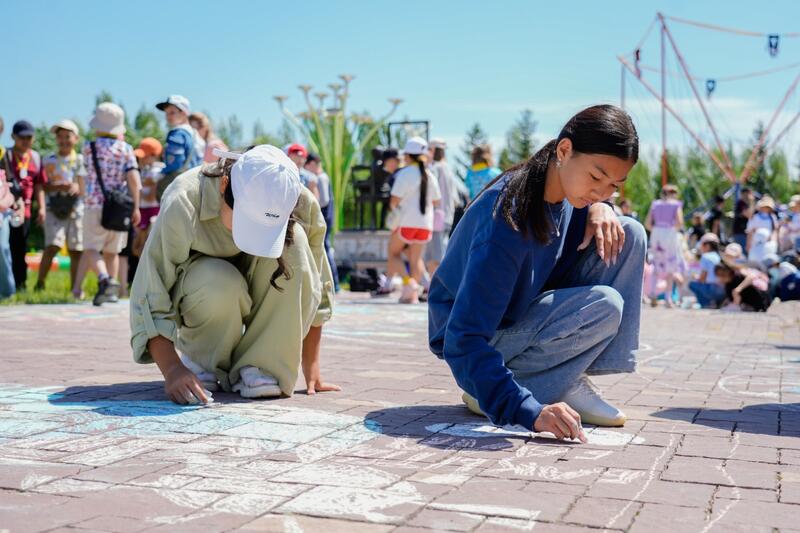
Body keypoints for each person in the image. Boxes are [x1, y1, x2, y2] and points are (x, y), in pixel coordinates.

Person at [428, 105, 643, 441]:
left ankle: (564, 376)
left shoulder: (568, 193)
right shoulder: (507, 220)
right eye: (596, 178)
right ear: (564, 150)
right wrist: (527, 411)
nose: (601, 191)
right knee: (604, 304)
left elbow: (598, 201)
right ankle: (499, 388)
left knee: (628, 233)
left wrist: (603, 207)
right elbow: (462, 339)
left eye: (613, 185)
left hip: (518, 319)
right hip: (475, 341)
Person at [129, 145, 339, 404]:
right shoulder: (184, 199)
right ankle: (203, 358)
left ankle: (262, 364)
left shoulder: (295, 196)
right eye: (246, 220)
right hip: (204, 286)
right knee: (220, 280)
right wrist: (172, 369)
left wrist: (312, 366)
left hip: (263, 295)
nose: (254, 234)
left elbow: (315, 281)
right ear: (224, 184)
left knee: (295, 241)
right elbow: (152, 287)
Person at [72, 103, 141, 305]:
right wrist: (135, 207)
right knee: (112, 251)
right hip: (119, 207)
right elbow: (134, 179)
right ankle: (111, 292)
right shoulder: (126, 149)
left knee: (91, 248)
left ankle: (104, 279)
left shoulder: (88, 147)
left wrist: (83, 195)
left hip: (94, 203)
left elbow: (82, 175)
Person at [376, 137, 441, 302]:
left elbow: (394, 202)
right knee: (415, 259)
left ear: (407, 156)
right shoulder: (429, 175)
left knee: (393, 252)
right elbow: (436, 201)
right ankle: (411, 294)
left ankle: (409, 283)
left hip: (406, 223)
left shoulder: (405, 174)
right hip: (425, 225)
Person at [37, 120, 86, 292]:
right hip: (53, 207)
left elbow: (84, 187)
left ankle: (75, 289)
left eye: (68, 136)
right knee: (52, 246)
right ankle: (40, 283)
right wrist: (57, 187)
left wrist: (76, 187)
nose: (64, 140)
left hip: (75, 208)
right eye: (60, 137)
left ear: (76, 138)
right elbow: (41, 185)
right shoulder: (48, 160)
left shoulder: (80, 160)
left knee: (76, 249)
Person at [2, 120, 48, 290]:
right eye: (22, 137)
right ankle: (6, 285)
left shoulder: (35, 158)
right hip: (6, 208)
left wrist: (42, 207)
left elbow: (39, 185)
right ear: (13, 136)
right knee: (5, 246)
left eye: (29, 137)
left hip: (26, 211)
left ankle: (20, 284)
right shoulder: (5, 155)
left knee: (20, 247)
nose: (26, 141)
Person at [425, 138, 463, 275]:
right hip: (448, 216)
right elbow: (456, 199)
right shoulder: (448, 169)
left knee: (434, 256)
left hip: (435, 217)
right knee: (441, 252)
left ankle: (434, 284)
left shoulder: (434, 169)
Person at [155, 95, 204, 199]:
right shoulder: (195, 134)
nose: (168, 116)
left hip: (179, 186)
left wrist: (159, 174)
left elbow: (175, 162)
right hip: (196, 184)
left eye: (172, 112)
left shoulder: (177, 133)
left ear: (184, 113)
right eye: (166, 113)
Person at [645, 184, 685, 308]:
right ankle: (668, 299)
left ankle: (653, 294)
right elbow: (680, 223)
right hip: (669, 234)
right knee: (670, 268)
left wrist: (657, 229)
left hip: (656, 233)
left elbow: (647, 224)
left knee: (656, 265)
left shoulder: (655, 204)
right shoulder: (675, 204)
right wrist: (670, 229)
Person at [305, 152, 338, 292]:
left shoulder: (321, 177)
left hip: (324, 218)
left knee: (325, 250)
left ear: (312, 164)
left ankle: (334, 284)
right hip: (325, 218)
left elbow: (323, 201)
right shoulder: (321, 177)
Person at [0, 115, 20, 299]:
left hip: (2, 210)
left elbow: (11, 182)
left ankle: (7, 291)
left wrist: (13, 201)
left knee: (2, 247)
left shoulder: (3, 154)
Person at [687, 233, 725, 308]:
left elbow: (702, 278)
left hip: (712, 289)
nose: (701, 247)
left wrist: (695, 277)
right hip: (723, 290)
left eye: (702, 245)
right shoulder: (720, 256)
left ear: (707, 245)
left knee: (692, 284)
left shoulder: (705, 256)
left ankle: (706, 304)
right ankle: (716, 303)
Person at [746, 195, 778, 263]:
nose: (765, 208)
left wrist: (774, 242)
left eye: (767, 207)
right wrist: (748, 244)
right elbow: (750, 231)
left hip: (768, 243)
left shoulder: (772, 217)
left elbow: (774, 230)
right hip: (755, 243)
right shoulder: (755, 217)